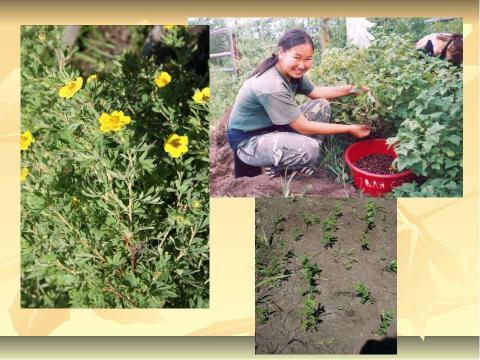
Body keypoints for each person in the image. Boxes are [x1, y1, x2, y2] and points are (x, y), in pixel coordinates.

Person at [226, 28, 371, 178]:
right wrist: (349, 128)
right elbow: (304, 127)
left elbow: (317, 92)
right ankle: (275, 166)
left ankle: (299, 160)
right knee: (310, 149)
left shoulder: (291, 73)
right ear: (281, 53)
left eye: (308, 59)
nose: (302, 65)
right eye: (297, 57)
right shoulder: (272, 85)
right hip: (249, 141)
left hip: (272, 127)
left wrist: (352, 89)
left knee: (322, 105)